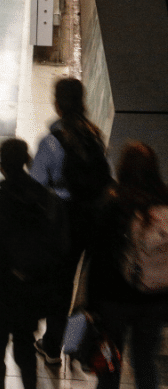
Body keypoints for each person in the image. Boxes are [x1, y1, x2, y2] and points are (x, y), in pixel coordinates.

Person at [0, 139, 68, 389]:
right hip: (31, 293)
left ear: (1, 167)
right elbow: (62, 248)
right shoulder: (48, 202)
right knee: (25, 348)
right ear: (27, 162)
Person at [28, 77, 112, 365]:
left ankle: (52, 346)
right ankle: (76, 344)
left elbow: (35, 186)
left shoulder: (52, 142)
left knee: (60, 284)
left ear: (58, 104)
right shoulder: (95, 136)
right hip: (92, 221)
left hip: (62, 223)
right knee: (85, 287)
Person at [84, 142, 168, 389]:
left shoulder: (113, 204)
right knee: (145, 362)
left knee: (110, 365)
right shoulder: (165, 202)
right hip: (154, 300)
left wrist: (91, 305)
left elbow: (98, 260)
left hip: (114, 304)